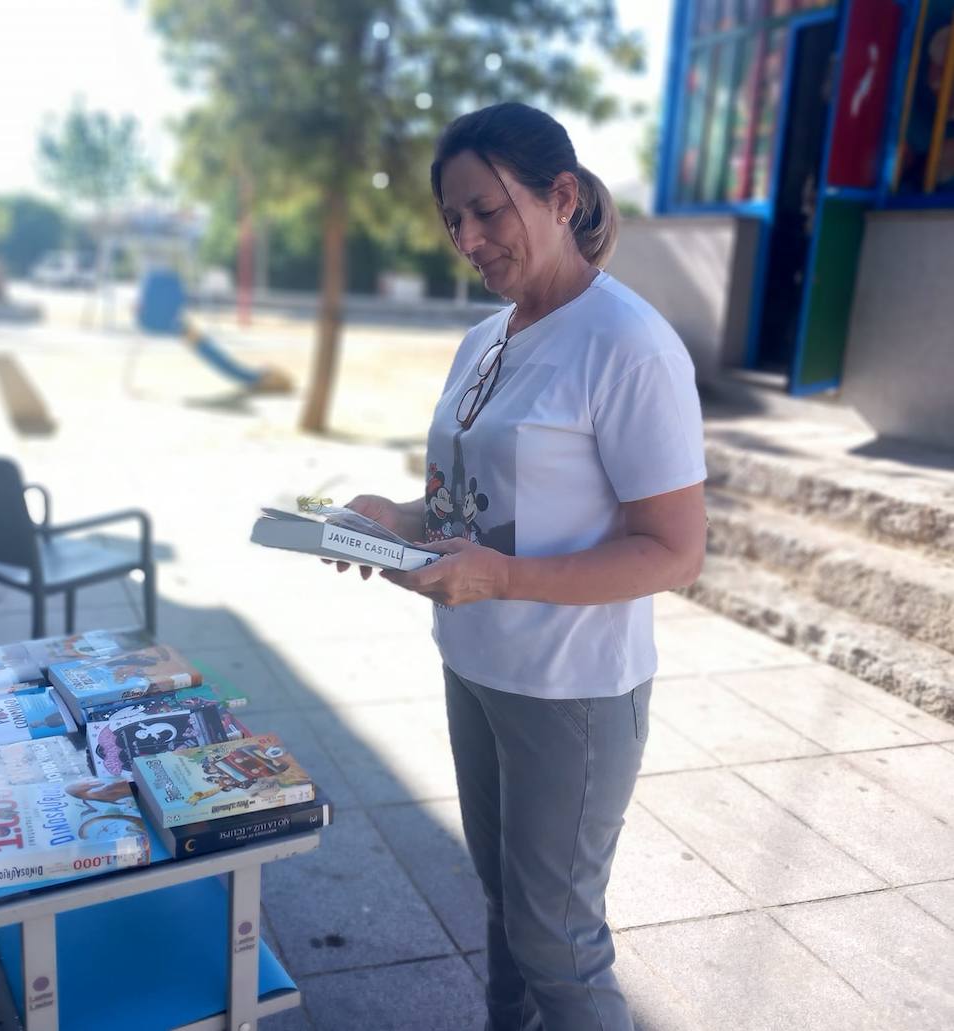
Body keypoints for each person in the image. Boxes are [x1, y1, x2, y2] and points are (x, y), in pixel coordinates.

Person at [332, 102, 707, 1030]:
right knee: (504, 910)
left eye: (487, 210)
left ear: (563, 195)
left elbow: (675, 549)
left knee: (559, 941)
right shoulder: (487, 338)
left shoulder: (627, 344)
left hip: (570, 691)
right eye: (453, 217)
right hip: (477, 664)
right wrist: (394, 518)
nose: (468, 237)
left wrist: (500, 578)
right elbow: (475, 503)